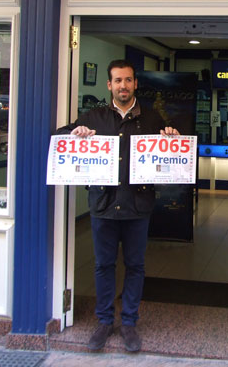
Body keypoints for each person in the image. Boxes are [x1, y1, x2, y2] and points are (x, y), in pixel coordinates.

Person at [57, 59, 179, 352]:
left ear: (136, 83)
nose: (123, 85)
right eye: (117, 81)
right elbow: (57, 139)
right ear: (109, 85)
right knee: (103, 265)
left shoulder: (152, 120)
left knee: (135, 266)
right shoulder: (94, 118)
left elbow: (169, 159)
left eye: (128, 80)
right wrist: (74, 136)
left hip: (138, 205)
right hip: (103, 204)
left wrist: (172, 140)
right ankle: (103, 322)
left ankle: (128, 323)